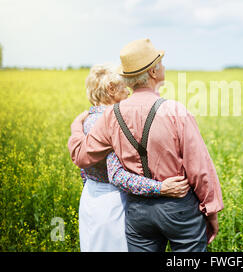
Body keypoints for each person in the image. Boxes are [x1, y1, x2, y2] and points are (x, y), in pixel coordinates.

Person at [68, 38, 223, 252]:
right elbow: (199, 168)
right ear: (153, 72)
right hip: (178, 208)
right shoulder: (175, 111)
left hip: (138, 212)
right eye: (161, 63)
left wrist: (76, 126)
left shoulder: (112, 115)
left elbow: (81, 156)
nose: (165, 67)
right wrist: (211, 211)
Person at [77, 63, 190, 252]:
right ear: (111, 89)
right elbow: (117, 176)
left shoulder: (87, 119)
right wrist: (161, 188)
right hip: (112, 206)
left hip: (90, 199)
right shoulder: (109, 123)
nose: (130, 91)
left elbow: (84, 171)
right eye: (124, 86)